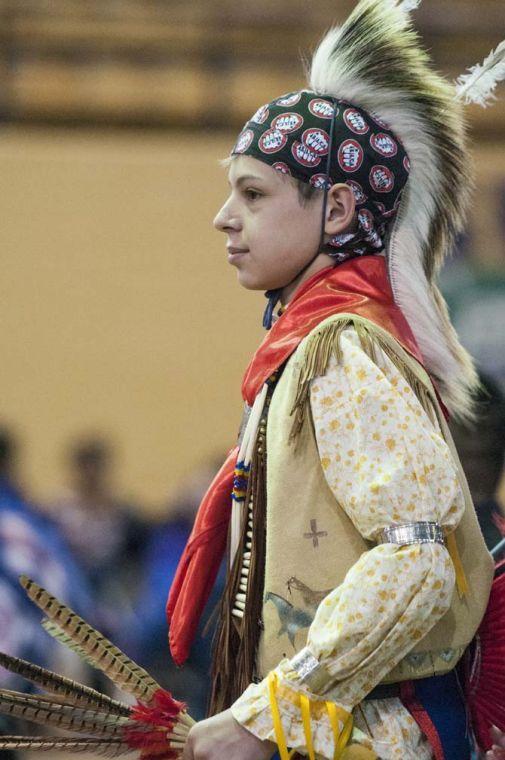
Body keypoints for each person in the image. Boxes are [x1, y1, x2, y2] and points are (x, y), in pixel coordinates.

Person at [166, 1, 505, 759]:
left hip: (369, 734)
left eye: (253, 195)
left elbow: (419, 560)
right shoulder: (312, 349)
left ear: (341, 206)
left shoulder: (344, 354)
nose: (225, 217)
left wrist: (276, 711)